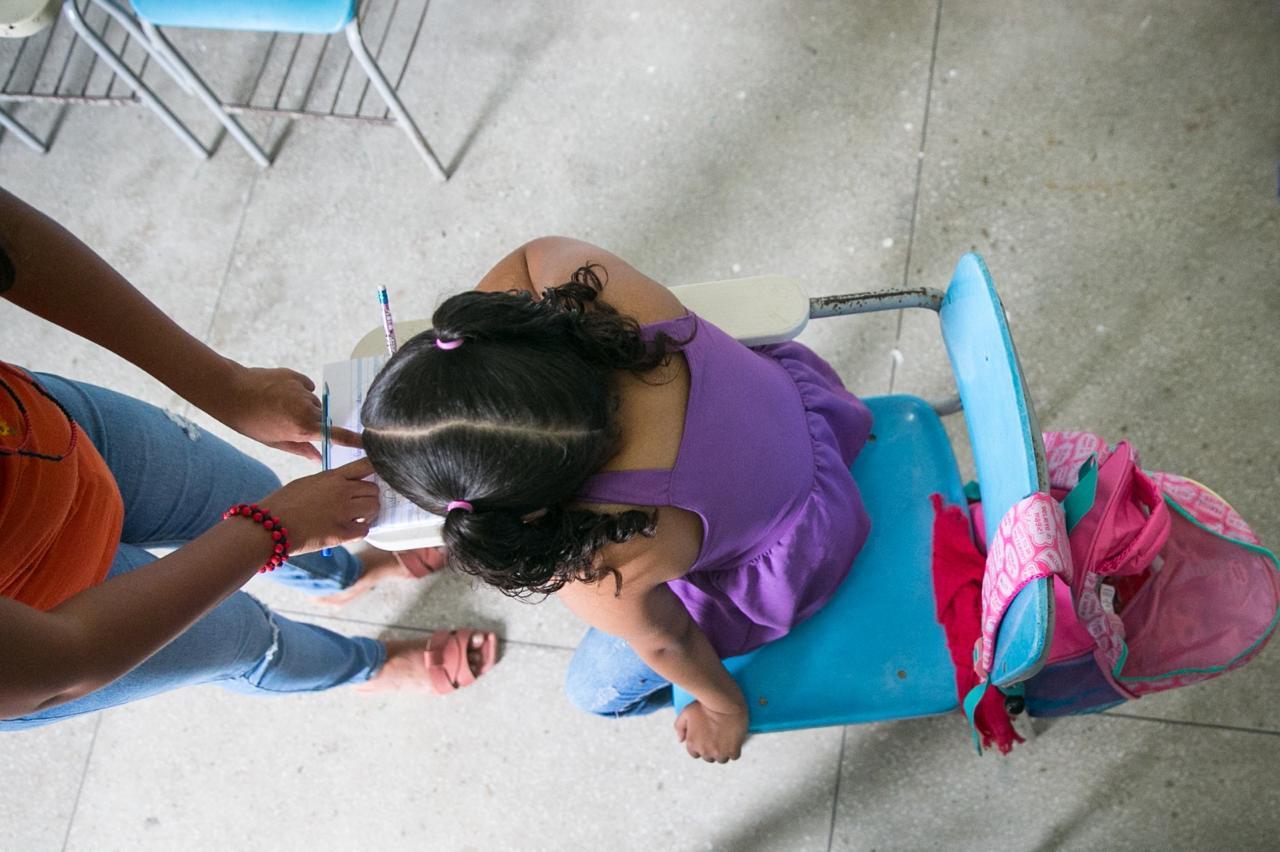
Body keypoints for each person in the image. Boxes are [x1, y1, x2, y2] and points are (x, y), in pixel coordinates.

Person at [359, 237, 873, 762]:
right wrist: (464, 393)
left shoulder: (599, 563)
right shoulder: (614, 302)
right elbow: (529, 258)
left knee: (589, 691)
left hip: (801, 539)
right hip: (807, 422)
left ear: (529, 513)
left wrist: (723, 708)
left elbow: (669, 642)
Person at [0, 188, 497, 730]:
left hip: (44, 425)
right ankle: (368, 666)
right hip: (42, 619)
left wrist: (226, 386)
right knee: (249, 637)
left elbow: (10, 236)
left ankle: (344, 575)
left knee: (248, 485)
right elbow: (60, 666)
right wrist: (273, 529)